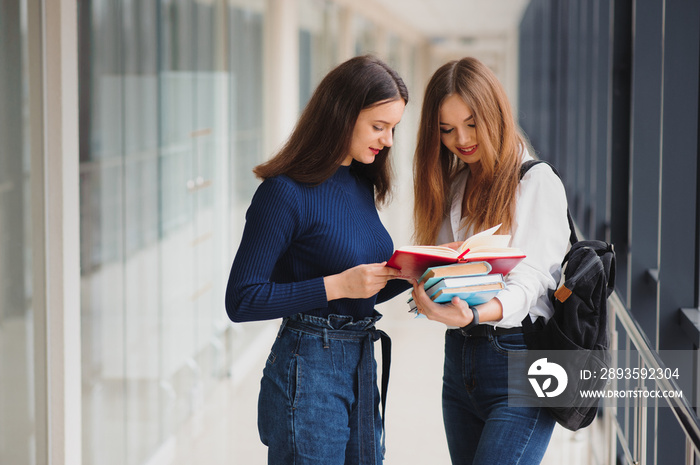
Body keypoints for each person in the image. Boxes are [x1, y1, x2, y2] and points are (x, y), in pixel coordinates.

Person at [225, 55, 410, 465]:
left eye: (393, 128)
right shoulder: (283, 193)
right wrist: (337, 285)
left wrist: (418, 272)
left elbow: (359, 291)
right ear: (342, 115)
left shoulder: (359, 183)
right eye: (379, 127)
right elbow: (241, 300)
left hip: (361, 361)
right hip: (308, 367)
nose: (388, 141)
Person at [410, 57, 570, 464]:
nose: (460, 139)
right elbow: (451, 267)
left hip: (523, 359)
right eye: (446, 130)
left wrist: (475, 315)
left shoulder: (536, 181)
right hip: (460, 361)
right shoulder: (456, 185)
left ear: (495, 113)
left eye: (471, 123)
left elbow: (533, 280)